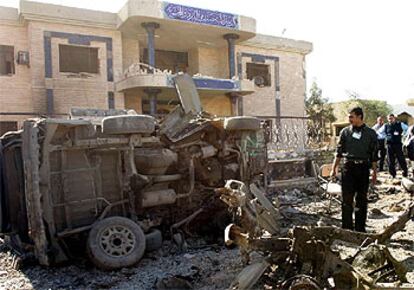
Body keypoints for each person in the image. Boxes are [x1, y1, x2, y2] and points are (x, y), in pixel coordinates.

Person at [330, 107, 377, 232]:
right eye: (349, 116)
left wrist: (374, 173)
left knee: (361, 199)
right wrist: (334, 168)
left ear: (360, 116)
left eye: (351, 116)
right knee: (347, 199)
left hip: (363, 169)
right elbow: (338, 152)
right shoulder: (345, 132)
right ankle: (347, 228)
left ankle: (360, 229)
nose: (349, 119)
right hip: (348, 168)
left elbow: (374, 155)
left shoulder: (371, 133)